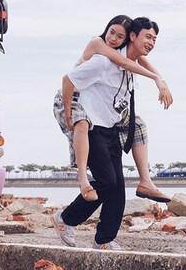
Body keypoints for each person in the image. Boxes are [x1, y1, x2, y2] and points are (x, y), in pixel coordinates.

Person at [54, 17, 173, 203]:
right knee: (82, 124)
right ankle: (83, 179)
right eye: (112, 32)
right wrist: (156, 79)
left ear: (127, 38)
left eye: (120, 36)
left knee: (138, 125)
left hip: (98, 102)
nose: (113, 39)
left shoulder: (123, 52)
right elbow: (124, 63)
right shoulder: (99, 44)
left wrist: (161, 80)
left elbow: (142, 61)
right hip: (72, 95)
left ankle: (146, 182)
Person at [55, 41, 132, 249]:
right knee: (107, 181)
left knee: (117, 188)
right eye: (148, 38)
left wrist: (158, 78)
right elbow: (68, 80)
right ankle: (65, 218)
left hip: (110, 125)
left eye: (154, 39)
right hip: (91, 124)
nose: (151, 43)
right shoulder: (102, 60)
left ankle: (104, 240)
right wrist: (70, 116)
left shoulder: (129, 70)